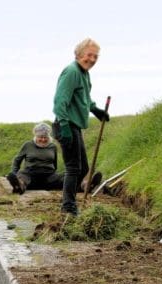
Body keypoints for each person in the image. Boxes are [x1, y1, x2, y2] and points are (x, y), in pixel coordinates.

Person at [52, 38, 110, 215]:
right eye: (89, 55)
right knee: (73, 168)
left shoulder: (84, 74)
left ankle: (70, 199)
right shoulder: (71, 72)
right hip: (65, 125)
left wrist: (96, 110)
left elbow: (84, 97)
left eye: (95, 56)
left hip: (74, 125)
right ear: (79, 54)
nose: (92, 59)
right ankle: (68, 206)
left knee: (83, 168)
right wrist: (65, 127)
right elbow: (60, 101)